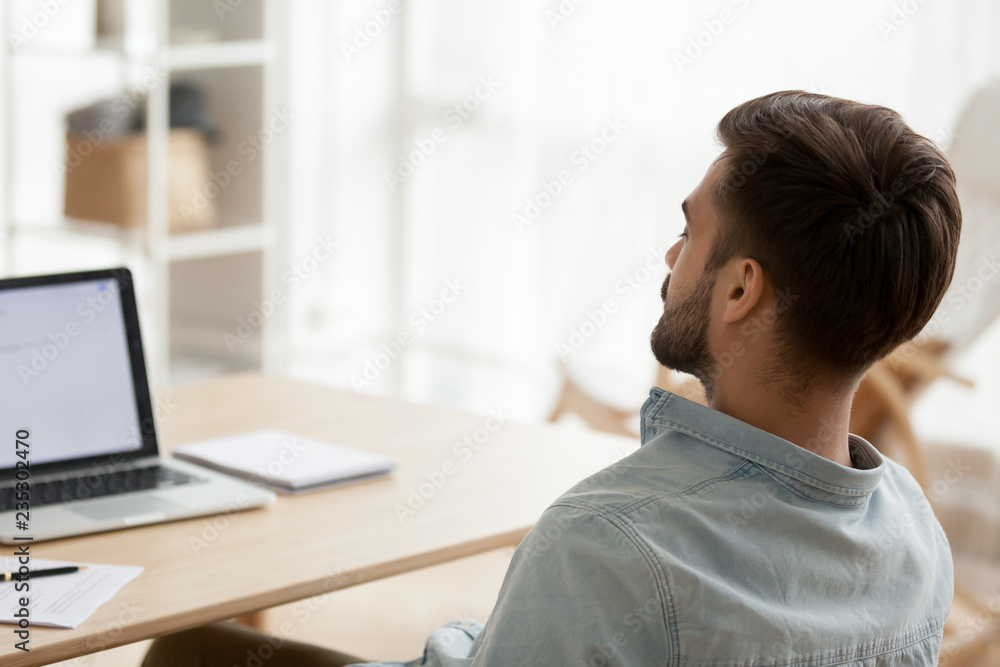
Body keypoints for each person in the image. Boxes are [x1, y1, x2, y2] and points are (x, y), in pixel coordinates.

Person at [142, 90, 960, 666]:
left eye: (690, 231)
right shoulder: (916, 537)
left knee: (189, 648)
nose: (672, 258)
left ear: (742, 289)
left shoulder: (611, 544)